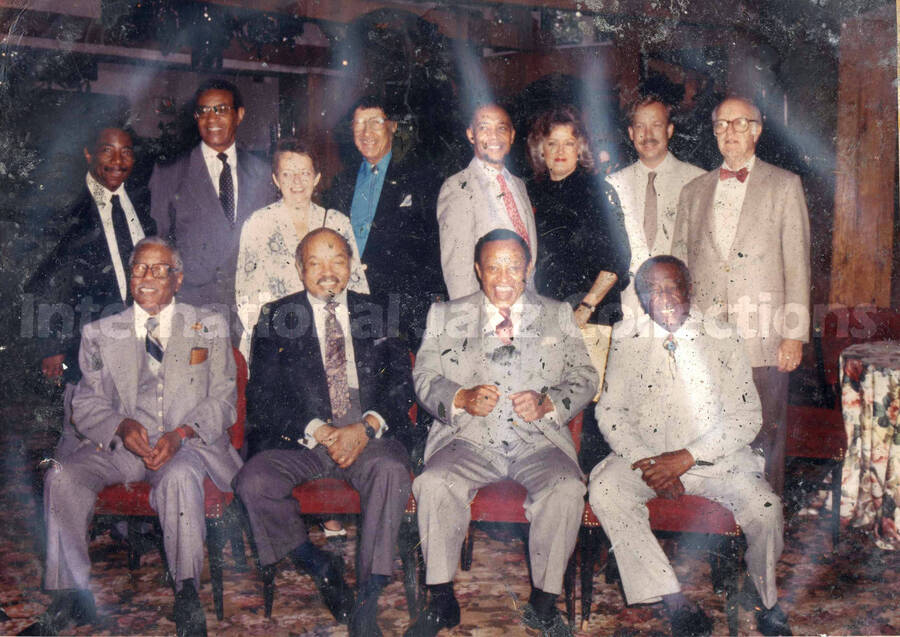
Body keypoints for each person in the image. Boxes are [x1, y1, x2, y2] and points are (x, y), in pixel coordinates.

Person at [23, 237, 241, 637]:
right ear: (129, 278)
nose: (147, 277)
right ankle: (70, 595)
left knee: (178, 478)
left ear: (178, 279)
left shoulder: (207, 325)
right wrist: (121, 427)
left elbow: (224, 400)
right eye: (140, 268)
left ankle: (186, 592)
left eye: (160, 269)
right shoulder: (100, 332)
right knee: (62, 476)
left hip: (184, 445)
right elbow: (86, 405)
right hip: (123, 446)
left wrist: (180, 434)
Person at [407, 229, 597, 637]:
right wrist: (460, 396)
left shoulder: (557, 314)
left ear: (528, 268)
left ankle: (544, 606)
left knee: (566, 489)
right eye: (493, 266)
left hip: (538, 442)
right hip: (469, 439)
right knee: (434, 482)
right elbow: (423, 377)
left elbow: (585, 377)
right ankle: (441, 602)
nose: (504, 276)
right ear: (478, 270)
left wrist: (549, 402)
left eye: (514, 265)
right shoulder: (445, 314)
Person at [588, 255, 791, 637]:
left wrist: (685, 458)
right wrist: (650, 463)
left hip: (713, 462)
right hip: (645, 461)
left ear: (689, 289)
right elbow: (611, 413)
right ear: (640, 297)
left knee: (766, 509)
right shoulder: (627, 337)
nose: (662, 298)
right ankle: (673, 600)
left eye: (671, 287)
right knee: (605, 488)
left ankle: (766, 597)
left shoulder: (723, 336)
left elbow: (746, 417)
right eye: (651, 290)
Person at [235, 227, 415, 636]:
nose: (328, 272)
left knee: (389, 471)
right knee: (253, 481)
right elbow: (262, 394)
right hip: (305, 437)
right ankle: (319, 564)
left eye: (337, 261)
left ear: (351, 266)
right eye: (315, 262)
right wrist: (319, 430)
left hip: (368, 435)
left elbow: (402, 382)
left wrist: (365, 426)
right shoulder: (276, 315)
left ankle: (369, 595)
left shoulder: (381, 310)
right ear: (300, 269)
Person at [672, 95, 811, 495]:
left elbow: (797, 265)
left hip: (764, 339)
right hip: (706, 340)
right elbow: (679, 268)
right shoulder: (693, 191)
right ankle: (714, 529)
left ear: (758, 128)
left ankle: (765, 526)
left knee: (765, 437)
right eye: (721, 125)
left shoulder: (785, 186)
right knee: (707, 434)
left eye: (739, 123)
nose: (729, 132)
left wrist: (793, 336)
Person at [25, 127, 156, 446]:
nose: (117, 160)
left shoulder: (139, 197)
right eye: (107, 150)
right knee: (82, 429)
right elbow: (45, 277)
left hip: (136, 335)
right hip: (84, 336)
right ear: (89, 154)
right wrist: (50, 345)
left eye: (126, 152)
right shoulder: (67, 205)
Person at [149, 78, 277, 337]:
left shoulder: (263, 175)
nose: (211, 118)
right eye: (203, 111)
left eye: (220, 109)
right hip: (193, 310)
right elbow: (159, 245)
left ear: (239, 115)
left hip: (251, 311)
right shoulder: (169, 174)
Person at [322, 94, 444, 347]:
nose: (366, 132)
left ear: (393, 126)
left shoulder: (421, 178)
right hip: (352, 304)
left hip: (403, 312)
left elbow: (435, 247)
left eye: (375, 122)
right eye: (358, 123)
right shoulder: (341, 184)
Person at [235, 137, 368, 359]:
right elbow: (245, 294)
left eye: (305, 173)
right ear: (276, 180)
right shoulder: (258, 224)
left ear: (316, 178)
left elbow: (357, 286)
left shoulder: (337, 222)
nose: (297, 182)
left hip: (331, 337)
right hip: (276, 342)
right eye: (287, 174)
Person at [606, 94, 704, 320]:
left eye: (656, 125)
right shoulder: (614, 184)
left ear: (669, 130)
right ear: (631, 133)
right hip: (629, 307)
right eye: (640, 126)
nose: (647, 135)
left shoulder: (697, 181)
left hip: (682, 306)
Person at [437, 103, 537, 300]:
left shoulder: (518, 185)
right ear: (471, 134)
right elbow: (457, 268)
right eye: (484, 128)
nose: (494, 136)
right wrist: (470, 319)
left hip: (525, 302)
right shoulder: (458, 186)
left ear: (512, 135)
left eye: (502, 128)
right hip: (485, 309)